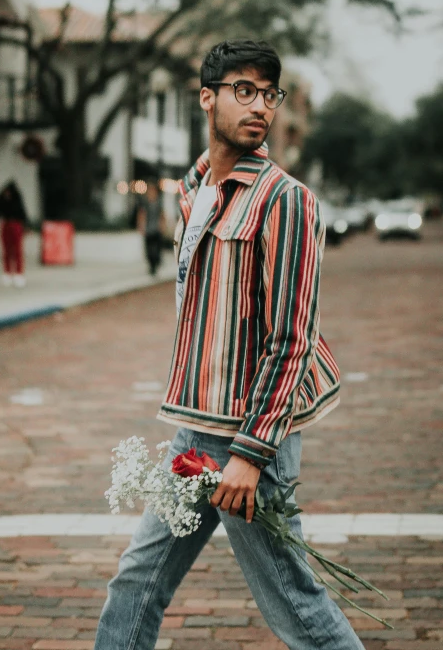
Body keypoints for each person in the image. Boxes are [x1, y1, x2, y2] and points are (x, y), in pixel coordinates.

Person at [94, 40, 364, 650]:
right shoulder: (194, 189)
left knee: (295, 605)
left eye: (269, 95)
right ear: (207, 98)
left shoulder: (285, 200)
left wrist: (250, 453)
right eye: (244, 91)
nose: (261, 107)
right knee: (136, 582)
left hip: (250, 439)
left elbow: (292, 337)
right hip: (194, 429)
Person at [0, 181, 28, 287]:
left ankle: (18, 273)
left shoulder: (17, 200)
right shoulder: (2, 200)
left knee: (17, 250)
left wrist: (26, 226)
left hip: (16, 224)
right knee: (6, 250)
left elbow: (22, 213)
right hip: (6, 224)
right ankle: (7, 272)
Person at [137, 179, 166, 275]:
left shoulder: (158, 203)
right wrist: (141, 226)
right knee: (148, 250)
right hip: (148, 229)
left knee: (156, 249)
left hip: (156, 229)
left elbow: (162, 215)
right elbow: (142, 214)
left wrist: (162, 226)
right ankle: (151, 266)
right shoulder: (145, 203)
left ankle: (156, 263)